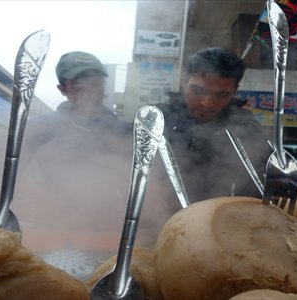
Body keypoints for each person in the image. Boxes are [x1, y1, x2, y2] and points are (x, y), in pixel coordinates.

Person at [15, 51, 177, 258]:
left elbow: (148, 183)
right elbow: (9, 178)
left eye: (95, 81)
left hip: (109, 228)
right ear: (62, 88)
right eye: (77, 82)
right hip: (51, 226)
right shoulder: (38, 130)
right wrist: (34, 195)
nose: (89, 88)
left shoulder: (125, 131)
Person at [155, 47, 269, 202]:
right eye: (198, 90)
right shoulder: (156, 122)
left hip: (219, 219)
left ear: (235, 91)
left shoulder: (247, 133)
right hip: (154, 216)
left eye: (221, 94)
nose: (207, 103)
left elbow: (260, 190)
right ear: (184, 81)